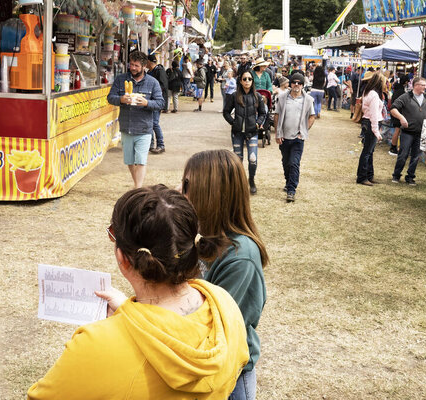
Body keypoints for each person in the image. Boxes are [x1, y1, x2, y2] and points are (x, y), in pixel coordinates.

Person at [27, 185, 249, 399]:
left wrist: (119, 327)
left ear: (122, 258)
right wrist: (128, 313)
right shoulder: (223, 305)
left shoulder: (96, 346)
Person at [180, 150, 269, 400]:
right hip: (204, 364)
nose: (179, 191)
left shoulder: (240, 258)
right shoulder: (203, 236)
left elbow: (213, 325)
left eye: (187, 185)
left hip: (230, 375)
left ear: (212, 194)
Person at [107, 51, 165, 188]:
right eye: (131, 64)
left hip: (144, 128)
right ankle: (136, 184)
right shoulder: (121, 79)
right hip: (126, 127)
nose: (133, 68)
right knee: (129, 161)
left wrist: (146, 103)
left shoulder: (152, 83)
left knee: (141, 161)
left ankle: (138, 189)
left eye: (136, 66)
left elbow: (161, 103)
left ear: (144, 66)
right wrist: (120, 99)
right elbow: (110, 98)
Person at [223, 70, 267, 195]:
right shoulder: (234, 95)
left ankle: (251, 180)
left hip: (252, 132)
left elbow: (263, 113)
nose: (247, 81)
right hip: (237, 133)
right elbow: (226, 112)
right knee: (238, 160)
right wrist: (233, 122)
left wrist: (258, 123)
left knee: (253, 159)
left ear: (252, 81)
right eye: (244, 79)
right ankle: (238, 183)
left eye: (249, 79)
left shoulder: (257, 96)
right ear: (240, 81)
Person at [274, 73, 316, 202]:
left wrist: (303, 130)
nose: (296, 85)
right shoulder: (282, 97)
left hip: (298, 138)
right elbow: (277, 115)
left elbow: (312, 116)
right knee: (286, 162)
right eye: (294, 82)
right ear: (290, 84)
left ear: (303, 85)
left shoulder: (308, 99)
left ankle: (291, 190)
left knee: (294, 163)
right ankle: (288, 182)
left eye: (299, 83)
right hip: (284, 137)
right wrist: (278, 133)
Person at [390, 77, 426, 185]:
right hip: (407, 132)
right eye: (423, 85)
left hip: (420, 132)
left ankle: (410, 177)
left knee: (415, 157)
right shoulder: (406, 97)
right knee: (403, 154)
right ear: (416, 85)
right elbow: (393, 108)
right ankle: (396, 175)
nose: (425, 87)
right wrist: (401, 118)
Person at [356, 73, 387, 186]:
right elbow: (374, 114)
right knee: (368, 152)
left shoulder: (368, 92)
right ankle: (363, 177)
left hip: (368, 122)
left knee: (369, 151)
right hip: (371, 123)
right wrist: (376, 131)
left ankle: (368, 175)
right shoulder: (373, 95)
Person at [147, 54, 168, 153]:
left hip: (157, 101)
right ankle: (150, 145)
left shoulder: (159, 71)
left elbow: (163, 86)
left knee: (155, 123)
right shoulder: (149, 72)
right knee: (149, 123)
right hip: (149, 101)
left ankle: (161, 145)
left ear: (149, 62)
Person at [388, 74, 409, 155]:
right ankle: (393, 148)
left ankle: (394, 147)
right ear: (406, 82)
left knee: (397, 130)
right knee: (397, 130)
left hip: (395, 111)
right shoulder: (401, 91)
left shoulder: (397, 89)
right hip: (398, 112)